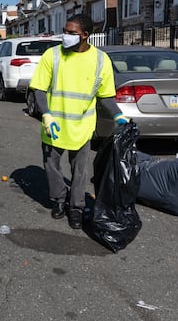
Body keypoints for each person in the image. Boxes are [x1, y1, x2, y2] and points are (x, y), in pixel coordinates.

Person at [28, 13, 127, 229]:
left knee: (80, 170)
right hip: (53, 124)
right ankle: (59, 200)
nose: (65, 36)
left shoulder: (100, 60)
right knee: (51, 166)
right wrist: (45, 113)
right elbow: (39, 88)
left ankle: (76, 208)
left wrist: (118, 114)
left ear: (85, 35)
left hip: (82, 126)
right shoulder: (52, 55)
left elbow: (105, 95)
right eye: (65, 31)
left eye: (71, 33)